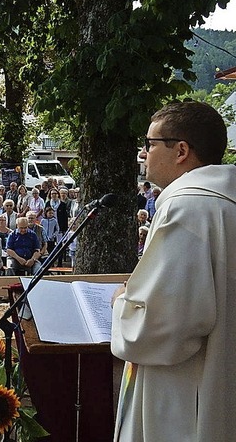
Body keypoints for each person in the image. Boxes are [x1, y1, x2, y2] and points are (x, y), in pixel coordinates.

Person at [111, 101, 236, 442]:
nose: (143, 152)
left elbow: (165, 325)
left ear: (181, 150)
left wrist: (124, 304)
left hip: (183, 392)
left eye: (150, 144)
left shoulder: (188, 208)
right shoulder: (222, 201)